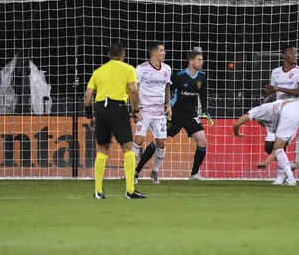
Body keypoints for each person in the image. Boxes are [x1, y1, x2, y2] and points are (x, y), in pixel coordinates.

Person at [135, 50, 213, 180]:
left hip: (190, 114)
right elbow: (168, 89)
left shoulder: (202, 76)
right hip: (175, 113)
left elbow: (202, 93)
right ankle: (137, 170)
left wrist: (204, 110)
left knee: (202, 141)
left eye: (202, 60)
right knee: (159, 141)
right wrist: (167, 106)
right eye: (199, 60)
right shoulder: (179, 76)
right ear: (191, 61)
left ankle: (194, 174)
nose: (202, 62)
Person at [84, 42, 146, 199]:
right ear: (123, 54)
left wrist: (89, 116)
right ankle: (130, 190)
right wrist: (136, 110)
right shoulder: (128, 69)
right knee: (127, 148)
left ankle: (98, 191)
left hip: (100, 109)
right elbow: (133, 90)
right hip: (117, 108)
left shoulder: (98, 71)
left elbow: (87, 96)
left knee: (102, 148)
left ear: (108, 56)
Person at [262, 45, 299, 185]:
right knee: (269, 146)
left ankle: (282, 176)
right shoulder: (275, 72)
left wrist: (279, 88)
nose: (295, 55)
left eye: (295, 53)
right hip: (277, 111)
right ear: (283, 56)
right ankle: (288, 166)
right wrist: (266, 101)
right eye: (291, 53)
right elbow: (274, 92)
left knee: (280, 144)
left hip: (293, 111)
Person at [132, 42, 172, 185]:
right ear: (154, 53)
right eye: (162, 50)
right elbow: (134, 89)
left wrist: (168, 105)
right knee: (138, 140)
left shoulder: (167, 69)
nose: (164, 53)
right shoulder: (141, 69)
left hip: (159, 112)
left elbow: (167, 86)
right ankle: (131, 173)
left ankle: (155, 171)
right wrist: (135, 109)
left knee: (161, 143)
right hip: (144, 111)